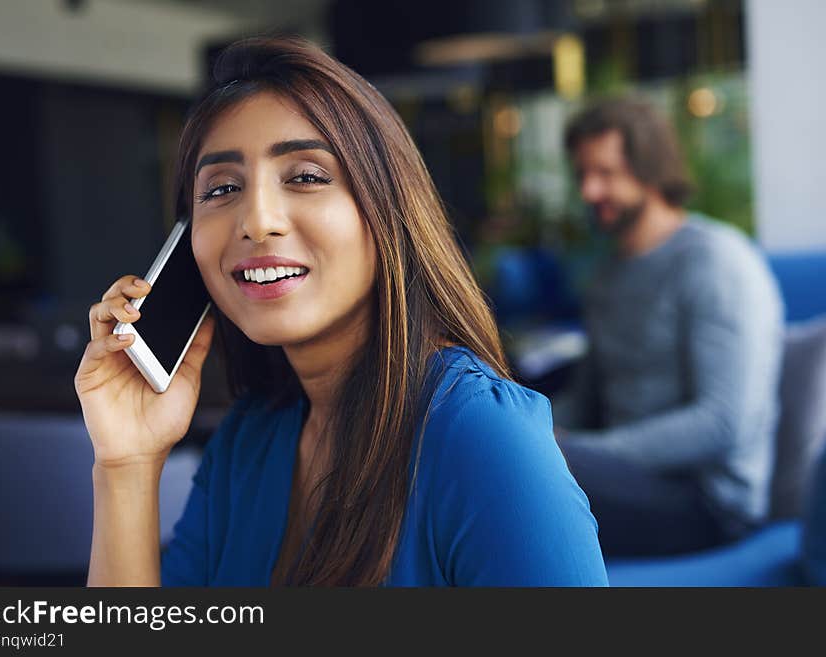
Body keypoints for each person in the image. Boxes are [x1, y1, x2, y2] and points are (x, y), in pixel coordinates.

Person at [75, 37, 607, 586]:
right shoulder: (250, 442)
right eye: (223, 188)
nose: (257, 221)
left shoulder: (478, 437)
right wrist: (126, 465)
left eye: (305, 177)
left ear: (386, 208)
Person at [554, 97, 784, 557]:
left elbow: (722, 423)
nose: (589, 192)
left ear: (650, 169)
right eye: (582, 175)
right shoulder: (608, 277)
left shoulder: (717, 262)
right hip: (623, 478)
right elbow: (585, 399)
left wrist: (584, 453)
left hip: (708, 503)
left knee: (525, 465)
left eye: (605, 174)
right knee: (500, 447)